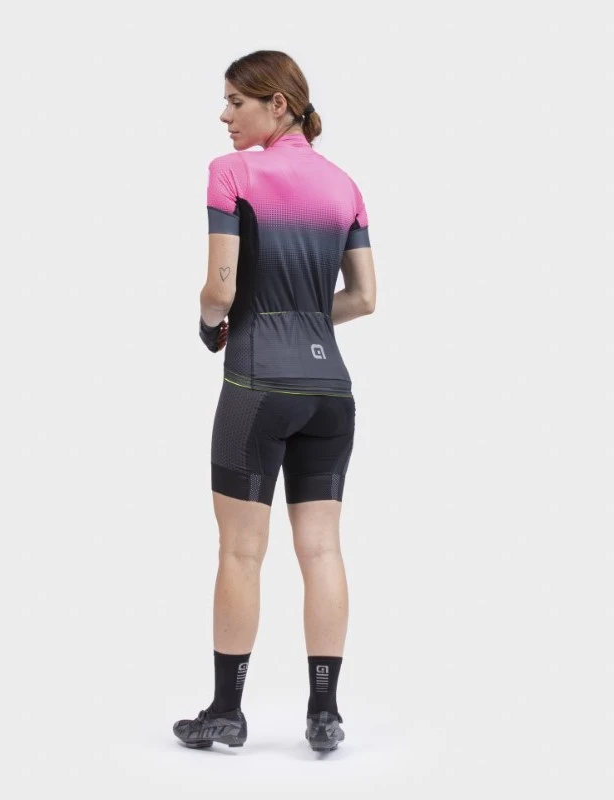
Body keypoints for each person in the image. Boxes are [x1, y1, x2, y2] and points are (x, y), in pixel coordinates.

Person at [173, 50, 376, 753]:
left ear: (278, 104)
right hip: (332, 392)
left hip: (257, 386)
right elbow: (365, 298)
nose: (224, 116)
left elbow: (219, 289)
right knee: (321, 550)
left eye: (237, 101)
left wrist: (212, 326)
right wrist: (307, 321)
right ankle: (325, 714)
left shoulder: (232, 173)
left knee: (240, 552)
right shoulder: (345, 185)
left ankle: (226, 711)